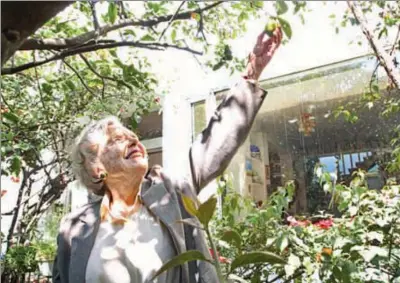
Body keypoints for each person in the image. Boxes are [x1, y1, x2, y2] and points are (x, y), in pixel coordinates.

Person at [52, 26, 282, 283]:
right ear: (96, 169)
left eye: (130, 133)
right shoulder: (74, 228)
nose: (131, 138)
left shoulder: (170, 190)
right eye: (116, 139)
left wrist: (253, 72)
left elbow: (214, 142)